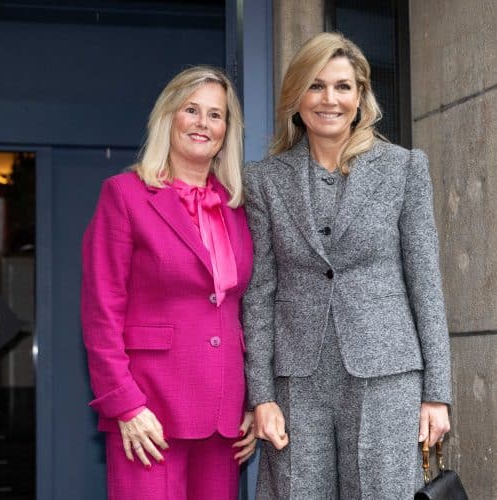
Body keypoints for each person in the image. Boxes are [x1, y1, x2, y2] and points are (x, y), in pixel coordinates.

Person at [242, 32, 452, 499]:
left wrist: (437, 393)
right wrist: (261, 396)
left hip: (387, 375)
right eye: (316, 86)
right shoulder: (264, 180)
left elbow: (425, 283)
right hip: (297, 381)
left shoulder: (403, 169)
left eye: (342, 86)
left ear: (360, 96)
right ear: (296, 97)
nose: (329, 99)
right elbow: (259, 295)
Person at [81, 66, 256, 500]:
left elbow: (246, 309)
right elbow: (102, 311)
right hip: (150, 410)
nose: (203, 123)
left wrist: (253, 400)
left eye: (216, 115)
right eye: (191, 110)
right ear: (168, 117)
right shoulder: (124, 194)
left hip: (224, 416)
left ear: (226, 131)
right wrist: (125, 404)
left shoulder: (238, 207)